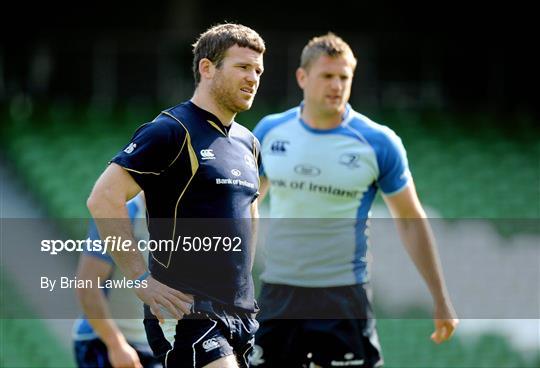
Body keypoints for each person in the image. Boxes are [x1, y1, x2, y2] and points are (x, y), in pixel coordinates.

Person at [251, 33, 458, 368]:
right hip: (279, 293)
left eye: (344, 77)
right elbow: (246, 208)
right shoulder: (270, 131)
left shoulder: (378, 142)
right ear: (302, 77)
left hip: (343, 296)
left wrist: (440, 298)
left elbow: (410, 219)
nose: (337, 85)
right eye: (327, 76)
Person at [87, 23, 265, 368]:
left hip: (241, 314)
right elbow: (102, 198)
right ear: (207, 68)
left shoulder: (249, 143)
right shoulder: (171, 130)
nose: (253, 78)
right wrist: (141, 279)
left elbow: (250, 212)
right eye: (243, 67)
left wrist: (245, 292)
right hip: (185, 310)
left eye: (258, 70)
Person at [73, 193, 161, 368]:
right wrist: (116, 345)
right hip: (102, 342)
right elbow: (87, 286)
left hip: (152, 344)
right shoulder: (119, 216)